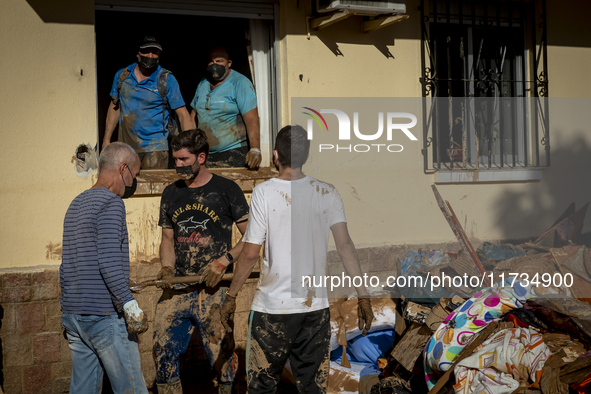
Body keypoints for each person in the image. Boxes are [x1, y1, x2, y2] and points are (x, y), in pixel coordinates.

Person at [219, 125, 375, 393]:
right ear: (307, 155)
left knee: (262, 386)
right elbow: (346, 246)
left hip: (272, 310)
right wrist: (364, 295)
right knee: (312, 388)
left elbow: (250, 253)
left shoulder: (263, 192)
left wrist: (231, 297)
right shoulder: (328, 192)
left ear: (275, 156)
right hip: (314, 310)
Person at [153, 129, 250, 394]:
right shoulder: (170, 193)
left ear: (202, 157)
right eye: (176, 159)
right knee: (162, 348)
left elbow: (253, 237)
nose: (179, 165)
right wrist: (167, 269)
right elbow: (167, 239)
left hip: (214, 290)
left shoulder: (227, 190)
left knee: (222, 355)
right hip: (179, 288)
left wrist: (225, 259)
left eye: (184, 159)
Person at [60, 142, 148, 394]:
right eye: (136, 174)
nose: (134, 181)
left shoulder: (75, 204)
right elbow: (108, 263)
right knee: (131, 390)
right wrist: (129, 304)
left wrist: (66, 308)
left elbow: (66, 265)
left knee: (84, 390)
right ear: (123, 169)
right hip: (104, 316)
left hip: (74, 317)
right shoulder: (111, 204)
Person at [103, 36, 195, 169]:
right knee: (126, 187)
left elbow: (183, 114)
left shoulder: (166, 79)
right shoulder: (122, 75)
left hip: (155, 147)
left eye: (154, 52)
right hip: (126, 148)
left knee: (154, 187)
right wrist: (106, 139)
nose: (150, 56)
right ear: (137, 52)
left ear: (159, 55)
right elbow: (114, 106)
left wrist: (190, 147)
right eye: (146, 51)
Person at [190, 47, 262, 168]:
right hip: (205, 154)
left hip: (233, 153)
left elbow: (252, 119)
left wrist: (255, 149)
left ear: (229, 63)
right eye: (211, 62)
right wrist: (192, 147)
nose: (214, 65)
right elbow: (193, 116)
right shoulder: (203, 83)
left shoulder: (240, 82)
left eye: (219, 61)